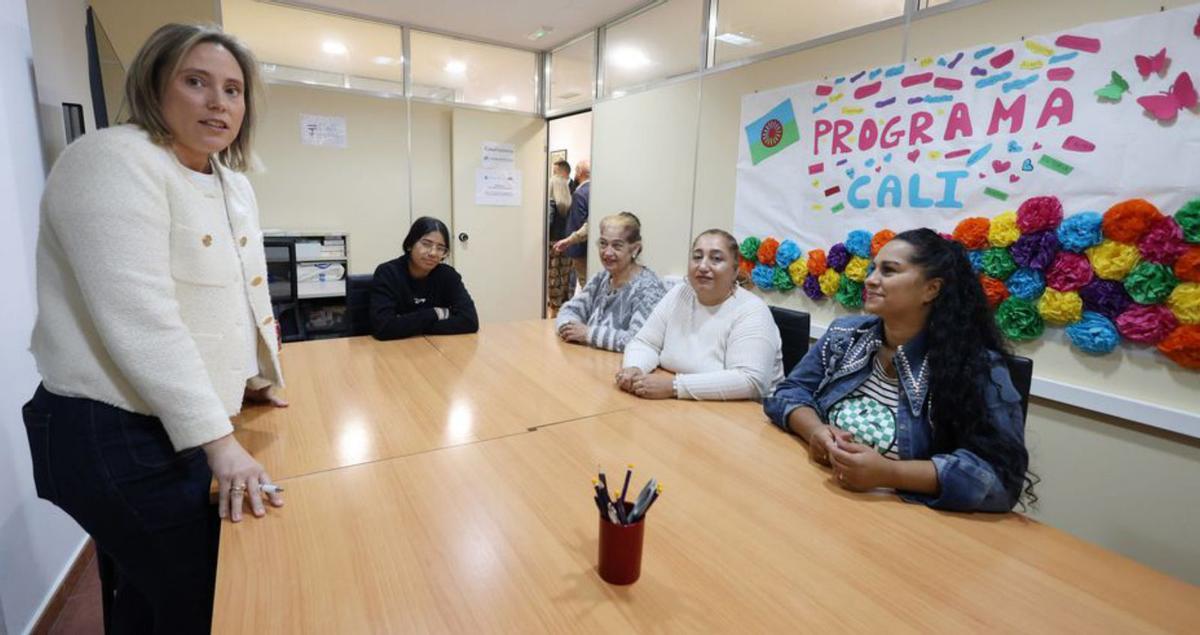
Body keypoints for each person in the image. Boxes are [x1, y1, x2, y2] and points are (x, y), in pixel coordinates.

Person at [23, 24, 284, 633]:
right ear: (154, 86)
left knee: (153, 593)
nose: (219, 103)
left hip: (175, 422)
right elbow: (143, 319)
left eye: (233, 89)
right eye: (196, 82)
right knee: (207, 597)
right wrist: (220, 444)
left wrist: (252, 376)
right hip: (107, 427)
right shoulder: (112, 160)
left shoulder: (231, 183)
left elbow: (242, 296)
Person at [763, 228, 1034, 513]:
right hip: (822, 497)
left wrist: (890, 473)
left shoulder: (975, 366)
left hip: (906, 519)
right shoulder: (845, 335)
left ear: (931, 289)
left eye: (889, 271)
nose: (870, 279)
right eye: (872, 269)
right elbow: (788, 393)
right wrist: (815, 431)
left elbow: (1002, 478)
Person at [618, 229, 783, 400]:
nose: (703, 266)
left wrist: (674, 386)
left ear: (735, 271)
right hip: (684, 407)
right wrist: (635, 368)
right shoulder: (679, 293)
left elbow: (750, 380)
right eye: (697, 257)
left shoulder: (752, 311)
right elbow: (646, 342)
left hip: (741, 415)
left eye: (716, 259)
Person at [556, 212, 666, 352]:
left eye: (617, 246)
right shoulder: (601, 278)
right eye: (603, 244)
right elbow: (569, 310)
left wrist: (588, 334)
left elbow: (640, 341)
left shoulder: (648, 288)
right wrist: (569, 329)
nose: (607, 253)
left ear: (635, 249)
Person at [370, 216, 479, 339]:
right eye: (426, 244)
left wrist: (406, 325)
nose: (433, 253)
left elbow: (470, 321)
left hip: (434, 349)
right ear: (410, 244)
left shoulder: (448, 275)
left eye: (440, 248)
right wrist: (437, 313)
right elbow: (384, 328)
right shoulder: (388, 273)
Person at [554, 159, 591, 288]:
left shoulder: (580, 193)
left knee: (584, 283)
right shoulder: (595, 191)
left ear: (580, 172)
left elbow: (578, 222)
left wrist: (570, 242)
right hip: (589, 249)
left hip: (579, 249)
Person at [547, 160, 575, 314]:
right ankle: (563, 307)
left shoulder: (551, 204)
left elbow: (548, 224)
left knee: (553, 276)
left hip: (554, 242)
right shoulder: (569, 203)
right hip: (566, 241)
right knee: (564, 275)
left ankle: (555, 309)